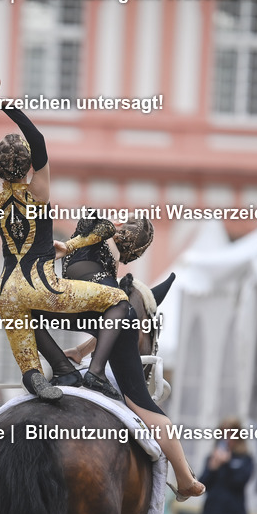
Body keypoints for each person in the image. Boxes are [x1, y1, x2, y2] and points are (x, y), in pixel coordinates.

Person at [0, 78, 130, 401]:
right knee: (118, 300)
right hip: (44, 286)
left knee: (22, 324)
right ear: (29, 169)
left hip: (6, 291)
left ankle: (37, 371)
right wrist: (4, 103)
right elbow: (37, 139)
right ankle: (95, 371)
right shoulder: (38, 193)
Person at [36, 214, 204, 499]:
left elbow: (101, 317)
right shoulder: (109, 258)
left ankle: (62, 367)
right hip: (102, 307)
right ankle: (185, 479)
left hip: (74, 301)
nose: (120, 224)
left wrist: (66, 247)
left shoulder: (101, 236)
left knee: (23, 312)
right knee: (144, 406)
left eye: (126, 224)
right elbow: (108, 320)